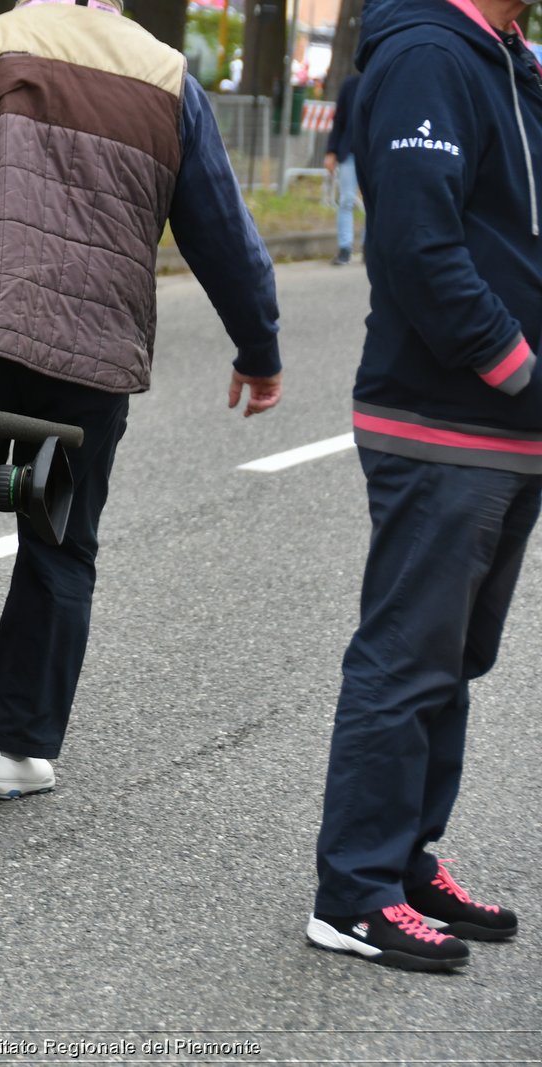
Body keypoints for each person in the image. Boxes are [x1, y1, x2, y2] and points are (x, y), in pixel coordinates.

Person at [0, 0, 282, 801]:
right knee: (61, 538)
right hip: (91, 354)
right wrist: (258, 347)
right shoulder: (164, 76)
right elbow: (220, 229)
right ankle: (10, 752)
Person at [306, 0, 539, 972]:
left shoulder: (506, 60)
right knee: (406, 659)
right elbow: (415, 239)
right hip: (447, 419)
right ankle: (353, 891)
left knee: (452, 659)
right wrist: (514, 364)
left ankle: (403, 858)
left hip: (501, 430)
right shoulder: (427, 56)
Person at [323, 73, 362, 266]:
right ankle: (345, 248)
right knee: (346, 199)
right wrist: (332, 151)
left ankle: (370, 248)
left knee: (375, 203)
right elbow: (339, 119)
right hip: (350, 153)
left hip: (373, 153)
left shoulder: (383, 79)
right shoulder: (350, 84)